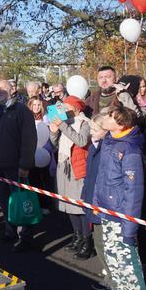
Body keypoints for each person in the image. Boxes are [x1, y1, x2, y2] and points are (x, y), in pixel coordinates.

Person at [95, 106, 146, 290]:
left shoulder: (130, 149)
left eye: (110, 116)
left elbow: (134, 192)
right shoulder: (109, 142)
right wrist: (96, 204)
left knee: (126, 262)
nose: (106, 118)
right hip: (107, 211)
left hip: (122, 216)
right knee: (112, 258)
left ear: (121, 124)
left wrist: (130, 228)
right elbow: (101, 179)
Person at [0, 79, 38, 253]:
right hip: (0, 166)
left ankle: (25, 237)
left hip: (17, 167)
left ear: (12, 90)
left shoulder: (21, 110)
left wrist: (25, 164)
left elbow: (29, 140)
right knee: (5, 201)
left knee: (21, 202)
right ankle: (10, 232)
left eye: (1, 88)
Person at [49, 95, 93, 259]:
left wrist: (62, 127)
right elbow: (54, 145)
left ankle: (87, 242)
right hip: (64, 165)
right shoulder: (64, 122)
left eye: (65, 107)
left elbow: (81, 141)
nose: (62, 111)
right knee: (68, 204)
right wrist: (54, 132)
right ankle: (77, 237)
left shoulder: (85, 122)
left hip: (77, 167)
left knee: (80, 206)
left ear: (74, 108)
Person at [82, 114, 115, 290]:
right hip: (92, 200)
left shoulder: (108, 150)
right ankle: (108, 276)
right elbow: (90, 176)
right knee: (99, 243)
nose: (91, 133)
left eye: (95, 129)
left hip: (102, 204)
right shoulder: (95, 147)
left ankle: (113, 279)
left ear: (106, 131)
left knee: (106, 244)